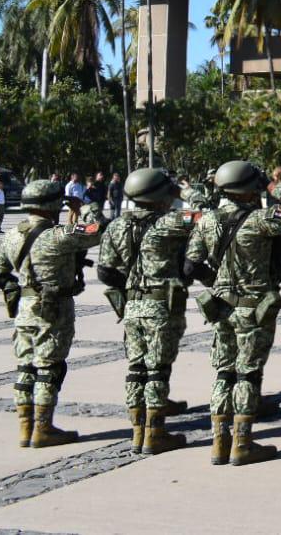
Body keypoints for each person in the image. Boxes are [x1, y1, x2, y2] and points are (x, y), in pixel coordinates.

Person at [184, 160, 281, 466]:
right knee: (247, 374)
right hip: (253, 307)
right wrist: (273, 185)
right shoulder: (259, 220)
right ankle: (242, 443)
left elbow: (190, 265)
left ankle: (219, 442)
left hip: (221, 306)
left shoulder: (206, 222)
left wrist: (217, 283)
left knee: (223, 372)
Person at [0, 180, 103, 447]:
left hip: (25, 308)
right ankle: (43, 427)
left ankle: (25, 427)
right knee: (50, 367)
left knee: (26, 366)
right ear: (54, 205)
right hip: (54, 308)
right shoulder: (58, 234)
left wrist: (13, 289)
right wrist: (85, 207)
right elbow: (97, 230)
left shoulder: (13, 234)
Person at [96, 167, 195, 454]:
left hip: (132, 306)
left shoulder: (116, 225)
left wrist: (131, 286)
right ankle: (155, 433)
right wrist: (185, 192)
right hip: (161, 305)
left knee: (136, 369)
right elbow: (207, 215)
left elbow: (105, 271)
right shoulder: (172, 223)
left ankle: (138, 431)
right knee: (157, 370)